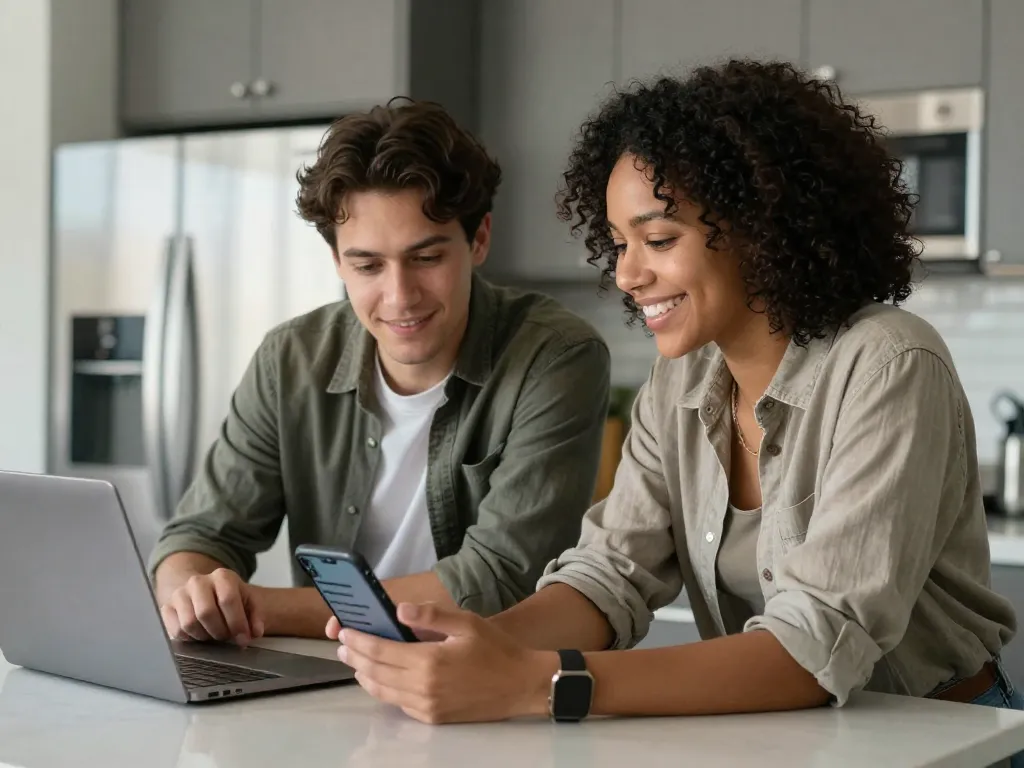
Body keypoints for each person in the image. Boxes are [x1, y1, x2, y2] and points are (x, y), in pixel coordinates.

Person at [330, 60, 1022, 733]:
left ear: (760, 226)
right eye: (618, 243)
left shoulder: (888, 361)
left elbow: (816, 644)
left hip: (938, 736)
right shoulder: (683, 379)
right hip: (795, 739)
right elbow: (611, 575)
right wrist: (477, 649)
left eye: (658, 239)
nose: (627, 275)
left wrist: (535, 681)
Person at [149, 99, 612, 646]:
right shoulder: (290, 359)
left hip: (489, 692)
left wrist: (253, 608)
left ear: (479, 239)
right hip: (331, 682)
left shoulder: (556, 356)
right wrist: (190, 591)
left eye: (427, 258)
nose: (399, 297)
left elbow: (494, 580)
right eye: (368, 266)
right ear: (338, 262)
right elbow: (201, 533)